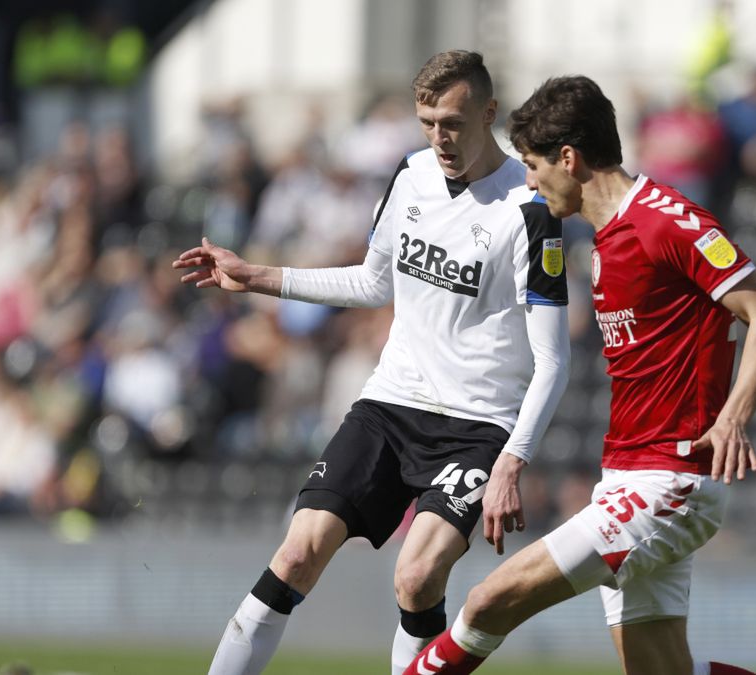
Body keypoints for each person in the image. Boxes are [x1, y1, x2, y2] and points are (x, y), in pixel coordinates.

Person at [404, 76, 756, 675]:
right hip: (628, 473)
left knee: (488, 602)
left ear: (568, 159)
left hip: (667, 482)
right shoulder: (606, 237)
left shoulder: (664, 221)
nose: (528, 180)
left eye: (531, 165)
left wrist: (736, 416)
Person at [173, 51, 571, 675]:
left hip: (477, 425)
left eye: (453, 122)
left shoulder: (528, 208)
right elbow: (370, 283)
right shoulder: (409, 176)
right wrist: (257, 277)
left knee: (415, 578)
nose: (439, 138)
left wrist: (512, 462)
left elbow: (553, 358)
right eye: (427, 121)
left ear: (489, 114)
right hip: (390, 403)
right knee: (297, 553)